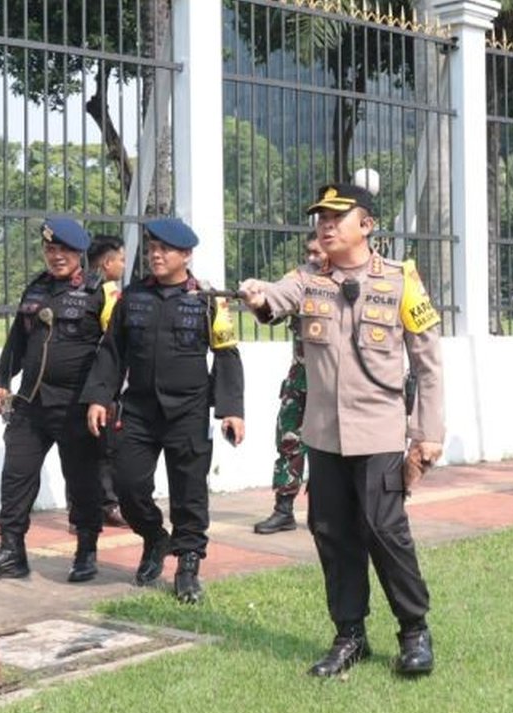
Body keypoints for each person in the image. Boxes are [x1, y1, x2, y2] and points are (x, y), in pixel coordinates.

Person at [239, 182, 445, 678]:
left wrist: (427, 432)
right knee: (331, 533)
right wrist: (256, 294)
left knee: (385, 531)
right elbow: (275, 299)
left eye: (336, 217)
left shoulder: (401, 281)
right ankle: (349, 634)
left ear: (366, 225)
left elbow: (429, 362)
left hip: (379, 434)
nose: (325, 226)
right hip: (324, 436)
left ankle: (414, 630)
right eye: (320, 219)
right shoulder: (309, 279)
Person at [82, 218, 245, 603]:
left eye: (164, 250)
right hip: (138, 409)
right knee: (128, 486)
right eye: (152, 248)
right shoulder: (133, 297)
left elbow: (226, 354)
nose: (155, 255)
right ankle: (155, 537)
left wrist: (231, 409)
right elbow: (112, 352)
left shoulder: (207, 300)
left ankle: (188, 566)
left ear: (185, 255)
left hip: (188, 410)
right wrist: (98, 398)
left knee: (189, 493)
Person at [0, 218, 114, 584]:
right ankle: (11, 551)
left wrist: (103, 397)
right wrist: (2, 379)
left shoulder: (101, 293)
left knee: (82, 481)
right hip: (31, 401)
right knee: (16, 474)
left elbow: (115, 352)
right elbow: (18, 339)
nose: (56, 256)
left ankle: (86, 551)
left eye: (64, 250)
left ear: (79, 253)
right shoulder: (36, 289)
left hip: (77, 405)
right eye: (51, 250)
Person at [254, 233, 325, 534]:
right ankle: (283, 509)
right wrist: (259, 298)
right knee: (288, 441)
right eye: (308, 252)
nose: (312, 258)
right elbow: (272, 311)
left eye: (317, 253)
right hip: (300, 381)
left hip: (334, 386)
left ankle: (328, 510)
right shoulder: (298, 279)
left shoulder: (351, 282)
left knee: (332, 452)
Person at [69, 235, 128, 531]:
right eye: (121, 259)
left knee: (76, 450)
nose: (123, 265)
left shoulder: (76, 288)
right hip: (101, 383)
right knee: (105, 448)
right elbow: (114, 337)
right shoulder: (108, 292)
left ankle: (77, 512)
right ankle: (108, 505)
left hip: (74, 382)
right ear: (107, 263)